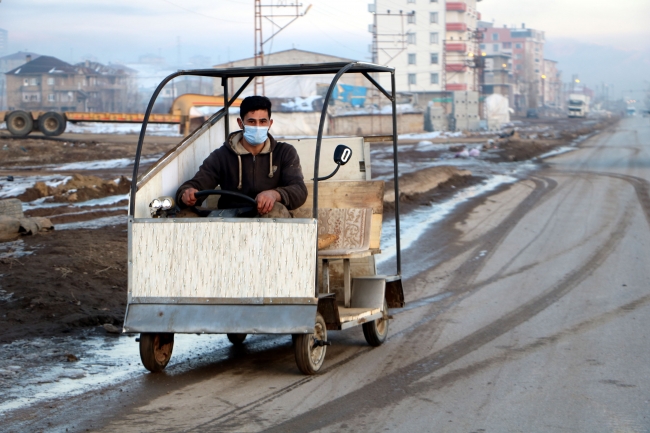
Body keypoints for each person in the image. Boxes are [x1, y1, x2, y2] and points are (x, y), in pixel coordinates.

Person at [176, 95, 307, 217]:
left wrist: (275, 194)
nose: (257, 127)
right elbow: (197, 184)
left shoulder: (284, 152)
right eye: (251, 121)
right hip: (230, 218)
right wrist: (187, 194)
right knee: (185, 214)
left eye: (262, 122)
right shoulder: (222, 156)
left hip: (269, 218)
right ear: (240, 123)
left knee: (274, 211)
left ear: (270, 124)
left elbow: (299, 190)